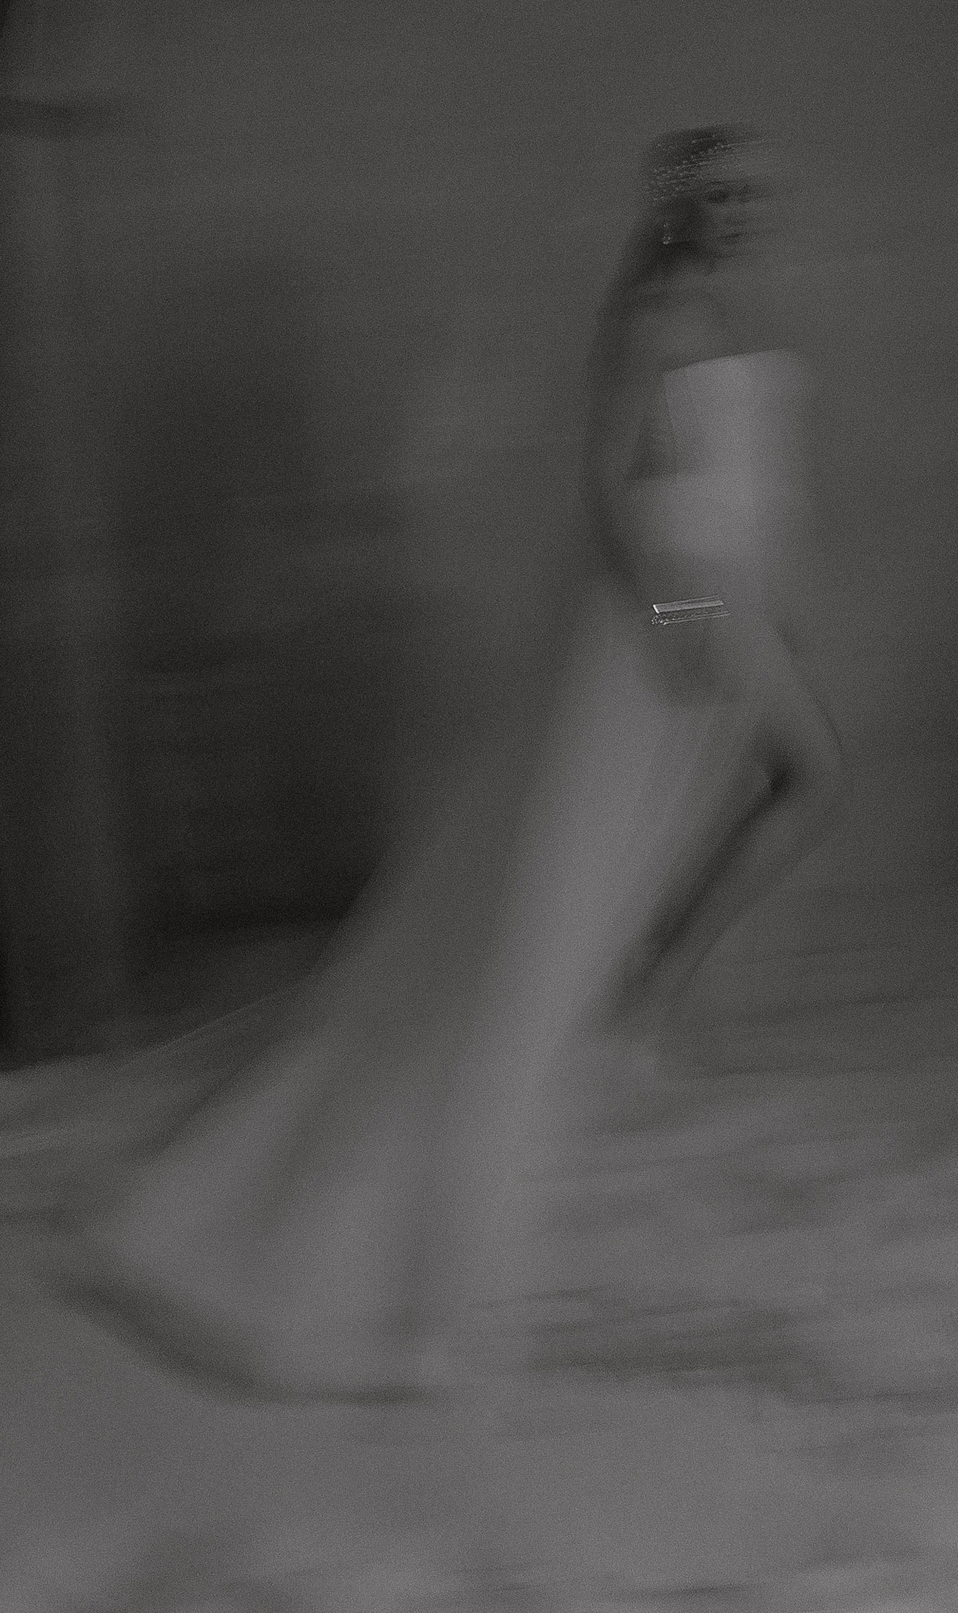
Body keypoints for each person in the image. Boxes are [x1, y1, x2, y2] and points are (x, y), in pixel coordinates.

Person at [64, 124, 841, 1401]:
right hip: (682, 600)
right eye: (726, 192)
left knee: (801, 786)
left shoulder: (741, 307)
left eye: (760, 191)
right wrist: (682, 617)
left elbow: (762, 476)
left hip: (736, 596)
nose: (748, 210)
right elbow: (610, 486)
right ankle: (634, 994)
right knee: (722, 823)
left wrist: (780, 598)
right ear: (683, 204)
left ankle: (652, 970)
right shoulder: (650, 315)